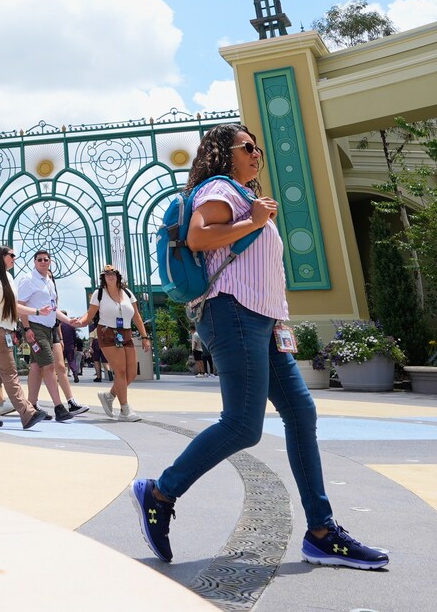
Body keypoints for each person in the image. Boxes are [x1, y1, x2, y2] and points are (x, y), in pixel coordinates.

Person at [132, 123, 388, 570]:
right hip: (232, 312)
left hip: (262, 320)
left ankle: (322, 532)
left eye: (258, 149)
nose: (256, 154)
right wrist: (254, 220)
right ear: (222, 152)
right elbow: (197, 236)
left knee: (301, 413)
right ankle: (160, 493)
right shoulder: (220, 188)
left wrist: (277, 317)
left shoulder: (244, 196)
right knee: (242, 425)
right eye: (247, 147)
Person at [0, 247, 52, 429]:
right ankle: (27, 412)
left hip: (6, 329)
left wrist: (37, 311)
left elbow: (14, 306)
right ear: (2, 256)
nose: (15, 258)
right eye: (12, 255)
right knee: (10, 371)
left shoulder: (8, 277)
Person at [17, 251, 87, 422]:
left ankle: (31, 407)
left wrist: (69, 321)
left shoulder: (48, 280)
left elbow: (54, 309)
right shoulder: (28, 279)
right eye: (39, 259)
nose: (43, 262)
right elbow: (20, 306)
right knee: (49, 366)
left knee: (36, 367)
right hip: (35, 327)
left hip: (48, 329)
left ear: (50, 262)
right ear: (34, 262)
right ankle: (59, 407)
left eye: (46, 259)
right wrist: (27, 328)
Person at [73, 266, 150, 421]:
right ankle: (125, 410)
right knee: (120, 372)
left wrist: (144, 336)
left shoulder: (128, 293)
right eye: (106, 274)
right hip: (107, 332)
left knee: (131, 373)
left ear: (118, 276)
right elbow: (90, 314)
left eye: (112, 273)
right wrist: (80, 322)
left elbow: (136, 316)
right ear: (103, 278)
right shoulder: (99, 293)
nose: (109, 276)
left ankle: (109, 396)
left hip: (126, 333)